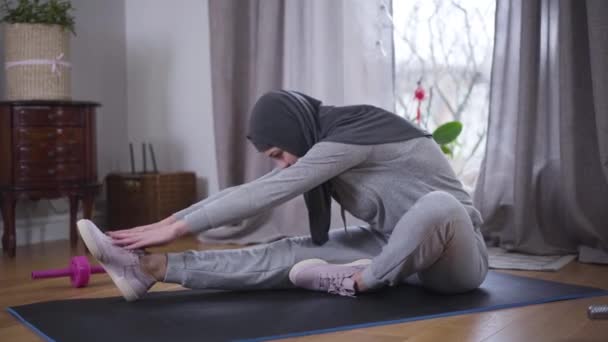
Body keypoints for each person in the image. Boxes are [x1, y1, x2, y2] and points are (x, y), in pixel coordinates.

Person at [77, 90, 488, 302]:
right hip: (392, 247)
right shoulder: (325, 140)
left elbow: (267, 193)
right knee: (288, 252)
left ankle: (360, 282)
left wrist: (176, 224)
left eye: (278, 154)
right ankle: (148, 270)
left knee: (439, 205)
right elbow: (257, 188)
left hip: (455, 260)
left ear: (294, 131)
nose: (282, 165)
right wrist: (166, 229)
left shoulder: (349, 136)